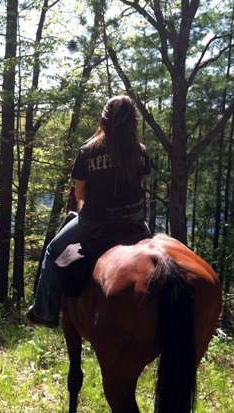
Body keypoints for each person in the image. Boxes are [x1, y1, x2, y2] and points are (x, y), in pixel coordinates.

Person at [27, 95, 152, 328]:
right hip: (134, 220)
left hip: (94, 220)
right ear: (133, 121)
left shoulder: (88, 151)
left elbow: (80, 195)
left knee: (53, 251)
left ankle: (45, 312)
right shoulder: (141, 151)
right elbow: (139, 184)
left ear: (103, 120)